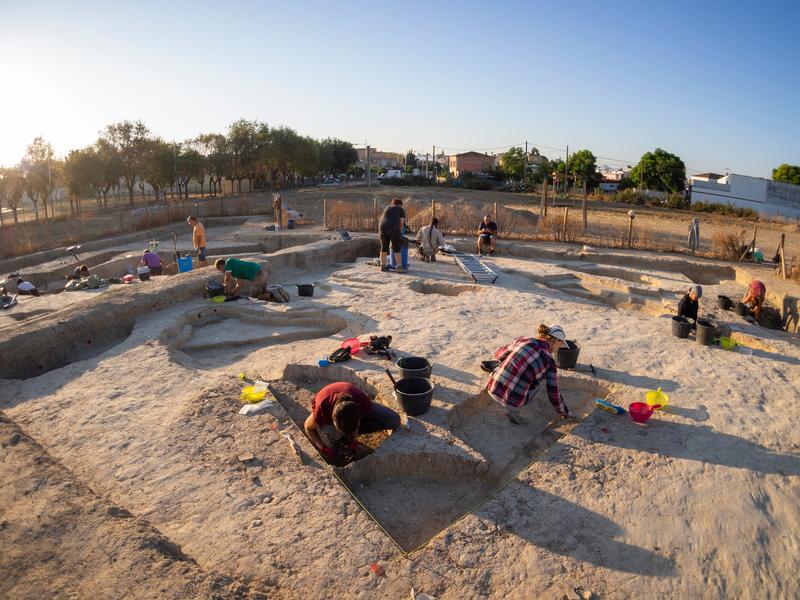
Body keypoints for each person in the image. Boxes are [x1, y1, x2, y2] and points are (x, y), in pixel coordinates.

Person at [486, 324, 571, 424]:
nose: (559, 348)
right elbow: (554, 394)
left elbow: (498, 355)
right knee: (544, 380)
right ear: (556, 341)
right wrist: (565, 412)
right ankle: (515, 412)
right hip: (512, 404)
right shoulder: (549, 362)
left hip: (491, 389)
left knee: (506, 362)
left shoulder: (523, 340)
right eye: (560, 345)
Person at [304, 382, 400, 462]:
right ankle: (338, 441)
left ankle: (346, 436)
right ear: (333, 419)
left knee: (394, 420)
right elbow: (307, 427)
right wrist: (323, 448)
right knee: (331, 432)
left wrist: (354, 440)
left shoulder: (362, 401)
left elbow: (356, 421)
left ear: (359, 416)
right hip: (328, 411)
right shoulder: (322, 409)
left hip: (357, 403)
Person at [379, 198, 406, 272]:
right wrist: (399, 231)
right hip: (393, 229)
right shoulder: (400, 208)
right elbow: (401, 222)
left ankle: (382, 266)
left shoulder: (387, 207)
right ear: (400, 204)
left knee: (384, 247)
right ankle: (399, 267)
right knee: (397, 247)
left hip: (382, 228)